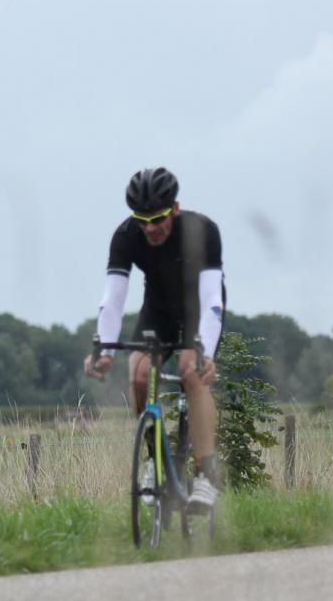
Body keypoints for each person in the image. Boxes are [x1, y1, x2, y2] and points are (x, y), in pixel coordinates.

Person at [84, 167, 226, 508]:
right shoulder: (126, 235)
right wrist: (104, 349)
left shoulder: (202, 230)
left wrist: (205, 353)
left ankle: (207, 474)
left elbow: (212, 301)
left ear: (174, 209)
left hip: (198, 311)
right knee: (138, 373)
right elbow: (113, 297)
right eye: (142, 219)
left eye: (158, 218)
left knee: (192, 372)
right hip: (158, 311)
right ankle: (152, 460)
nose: (150, 227)